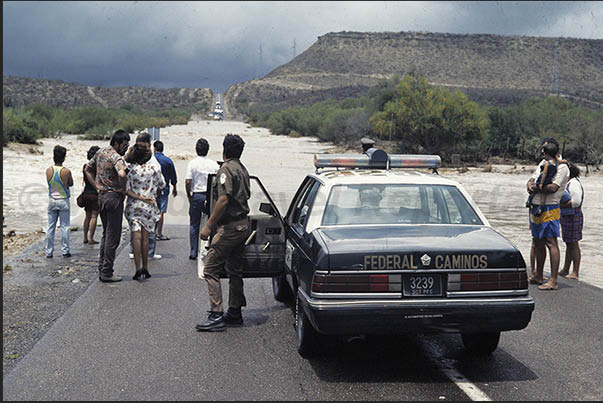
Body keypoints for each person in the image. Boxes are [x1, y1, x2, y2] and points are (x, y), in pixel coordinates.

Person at [196, 134, 251, 332]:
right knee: (234, 270)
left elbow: (223, 200)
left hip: (230, 228)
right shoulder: (242, 169)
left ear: (224, 149)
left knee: (210, 268)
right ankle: (235, 312)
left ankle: (216, 314)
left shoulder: (226, 169)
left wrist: (209, 225)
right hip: (243, 225)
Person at [85, 129, 130, 282]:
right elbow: (122, 174)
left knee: (106, 234)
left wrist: (96, 185)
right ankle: (106, 272)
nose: (126, 148)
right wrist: (123, 190)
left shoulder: (100, 152)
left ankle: (102, 268)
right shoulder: (116, 157)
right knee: (113, 237)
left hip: (102, 197)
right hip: (113, 198)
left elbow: (87, 169)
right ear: (116, 143)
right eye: (124, 145)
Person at [526, 140, 569, 291]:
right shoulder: (542, 164)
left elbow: (553, 188)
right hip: (536, 206)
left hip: (550, 207)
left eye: (543, 150)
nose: (542, 153)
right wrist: (531, 185)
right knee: (537, 241)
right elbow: (532, 179)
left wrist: (536, 188)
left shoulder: (562, 167)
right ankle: (538, 274)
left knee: (551, 242)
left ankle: (553, 280)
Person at [124, 143, 166, 280]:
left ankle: (137, 269)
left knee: (136, 237)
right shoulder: (154, 169)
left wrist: (139, 196)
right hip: (149, 207)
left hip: (133, 206)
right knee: (145, 238)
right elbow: (162, 185)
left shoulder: (130, 169)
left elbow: (127, 190)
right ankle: (146, 268)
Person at [185, 138, 219, 260]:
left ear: (196, 149)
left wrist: (189, 194)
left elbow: (188, 181)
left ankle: (193, 251)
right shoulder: (214, 164)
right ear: (208, 150)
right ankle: (211, 249)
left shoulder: (192, 163)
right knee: (212, 222)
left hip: (197, 195)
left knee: (194, 223)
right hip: (210, 196)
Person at [45, 145, 74, 258]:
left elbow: (49, 184)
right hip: (63, 200)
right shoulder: (66, 171)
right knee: (64, 227)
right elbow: (70, 184)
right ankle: (65, 251)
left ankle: (49, 252)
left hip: (52, 199)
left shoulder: (48, 170)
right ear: (64, 157)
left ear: (54, 156)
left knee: (50, 227)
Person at [558, 161, 584, 281]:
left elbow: (576, 202)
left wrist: (559, 205)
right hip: (568, 216)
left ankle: (575, 272)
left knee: (573, 244)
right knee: (569, 243)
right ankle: (566, 269)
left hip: (573, 216)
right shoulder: (569, 182)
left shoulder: (573, 183)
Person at [525, 143, 565, 214]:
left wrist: (540, 184)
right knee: (543, 194)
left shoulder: (550, 164)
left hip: (550, 205)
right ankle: (540, 208)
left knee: (536, 191)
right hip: (548, 181)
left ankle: (530, 200)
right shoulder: (555, 162)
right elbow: (534, 177)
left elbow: (544, 175)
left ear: (547, 154)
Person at [153, 140, 178, 241]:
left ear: (154, 148)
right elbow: (173, 176)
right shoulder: (168, 160)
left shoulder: (150, 159)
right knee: (161, 212)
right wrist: (175, 188)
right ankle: (159, 234)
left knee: (151, 209)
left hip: (152, 188)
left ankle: (150, 233)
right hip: (164, 188)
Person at [81, 145, 100, 244]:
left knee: (87, 216)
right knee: (94, 216)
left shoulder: (85, 166)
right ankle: (91, 238)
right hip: (95, 194)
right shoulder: (98, 167)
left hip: (86, 193)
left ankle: (84, 237)